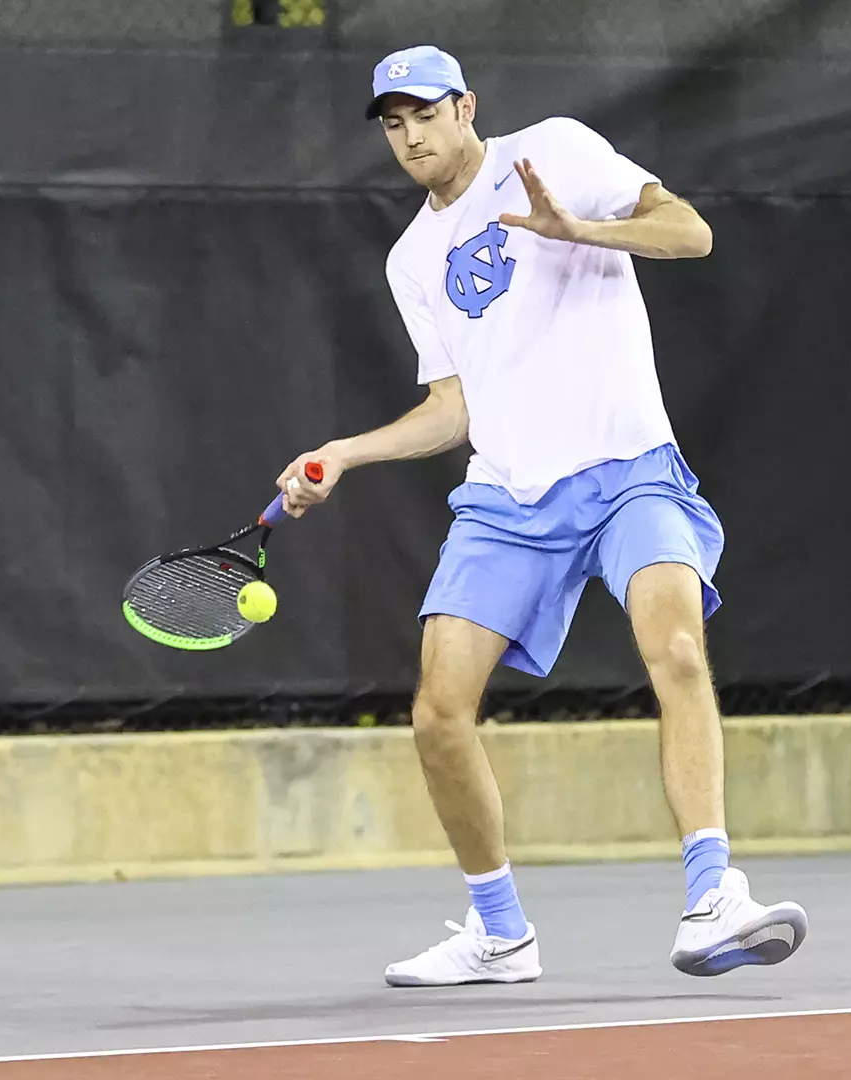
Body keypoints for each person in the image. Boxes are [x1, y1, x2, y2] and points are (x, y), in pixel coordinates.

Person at [274, 44, 808, 987]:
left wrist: (579, 232)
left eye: (424, 114)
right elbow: (453, 408)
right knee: (439, 712)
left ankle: (711, 897)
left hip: (628, 468)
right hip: (507, 496)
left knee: (676, 645)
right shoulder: (412, 260)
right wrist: (345, 454)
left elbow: (691, 235)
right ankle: (499, 934)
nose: (410, 137)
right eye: (393, 124)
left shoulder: (554, 150)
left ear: (467, 106)